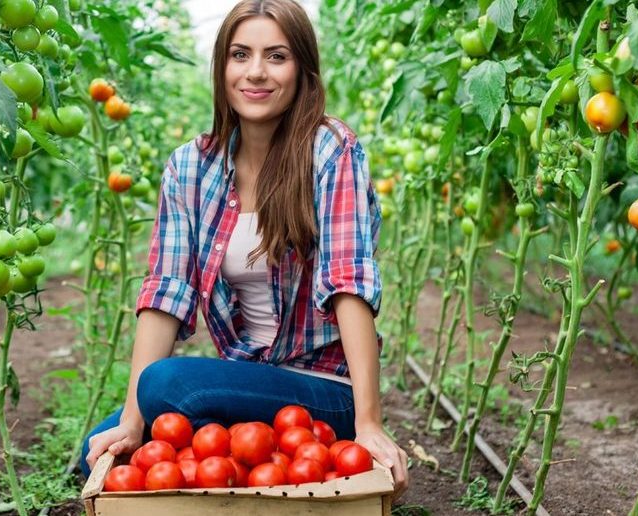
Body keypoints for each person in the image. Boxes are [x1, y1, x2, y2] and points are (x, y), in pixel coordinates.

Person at [81, 0, 409, 499]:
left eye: (276, 56)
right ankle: (261, 458)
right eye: (241, 55)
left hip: (322, 390)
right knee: (105, 443)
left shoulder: (331, 152)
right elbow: (166, 294)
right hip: (246, 378)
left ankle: (295, 445)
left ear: (302, 70)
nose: (256, 72)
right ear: (223, 66)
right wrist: (131, 422)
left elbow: (349, 283)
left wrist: (368, 422)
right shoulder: (191, 168)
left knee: (168, 386)